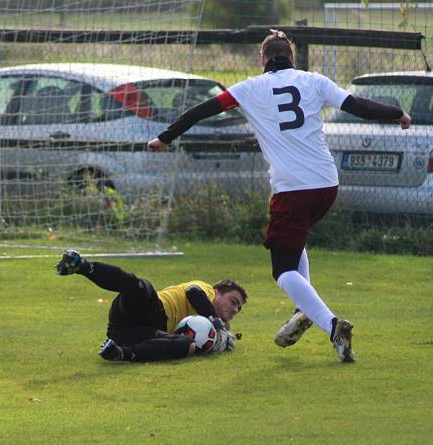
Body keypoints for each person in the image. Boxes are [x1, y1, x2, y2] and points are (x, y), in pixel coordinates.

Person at [147, 30, 411, 364]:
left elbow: (202, 111)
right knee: (295, 242)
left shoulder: (249, 88)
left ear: (263, 59)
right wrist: (397, 113)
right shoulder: (314, 80)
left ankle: (332, 326)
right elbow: (358, 105)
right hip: (327, 185)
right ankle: (304, 311)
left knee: (283, 270)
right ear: (292, 58)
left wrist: (165, 138)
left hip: (292, 189)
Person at [56, 250, 247, 362]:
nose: (234, 310)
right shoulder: (206, 290)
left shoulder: (214, 327)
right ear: (218, 291)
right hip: (152, 309)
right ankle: (82, 266)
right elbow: (193, 293)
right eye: (233, 301)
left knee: (186, 345)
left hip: (129, 332)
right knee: (138, 286)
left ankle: (121, 353)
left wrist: (218, 342)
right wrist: (219, 326)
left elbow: (202, 341)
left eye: (238, 309)